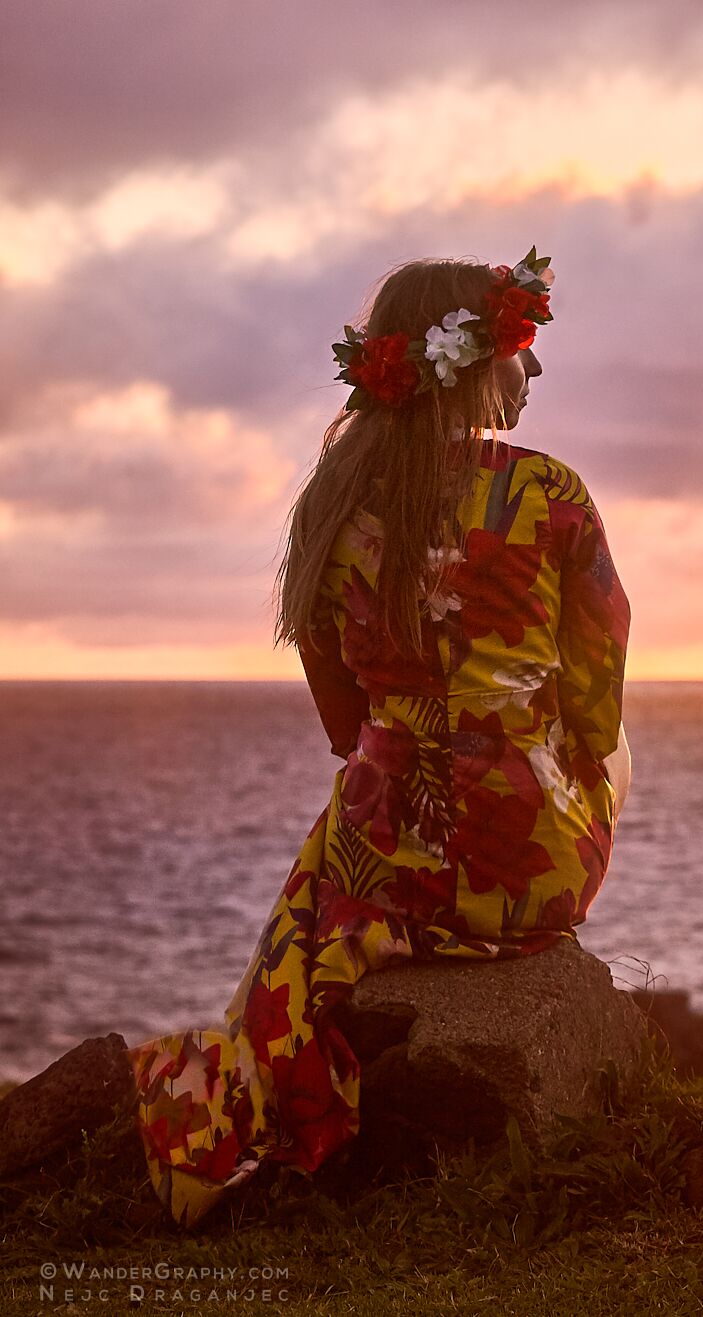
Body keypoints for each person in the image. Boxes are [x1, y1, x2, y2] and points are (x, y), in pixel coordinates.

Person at [126, 250, 631, 1226]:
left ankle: (226, 1119)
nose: (534, 374)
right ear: (472, 362)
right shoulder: (551, 494)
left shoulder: (334, 503)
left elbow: (341, 721)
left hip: (386, 864)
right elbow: (596, 698)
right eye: (523, 351)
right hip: (535, 865)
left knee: (358, 803)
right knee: (559, 745)